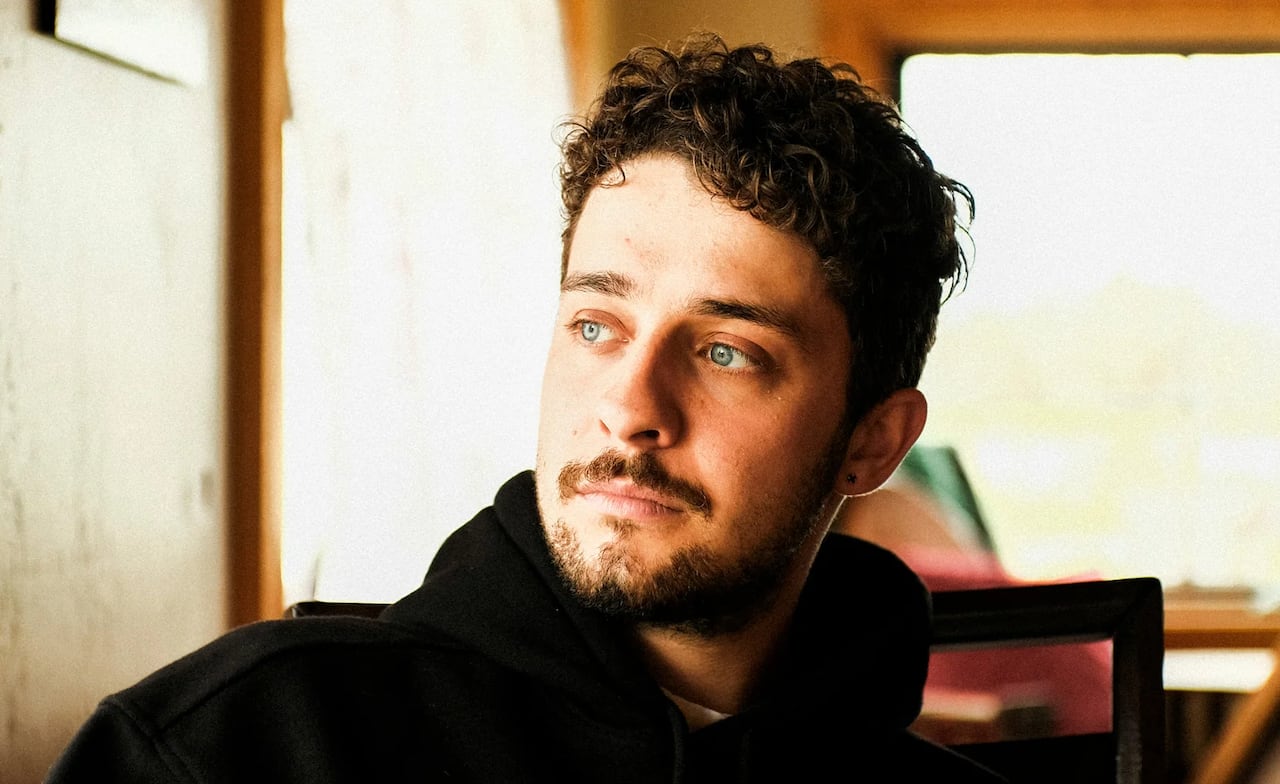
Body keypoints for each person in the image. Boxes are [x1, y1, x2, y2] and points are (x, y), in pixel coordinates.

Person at [48, 34, 997, 782]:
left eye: (724, 352)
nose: (629, 409)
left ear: (872, 442)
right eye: (596, 325)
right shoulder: (235, 748)